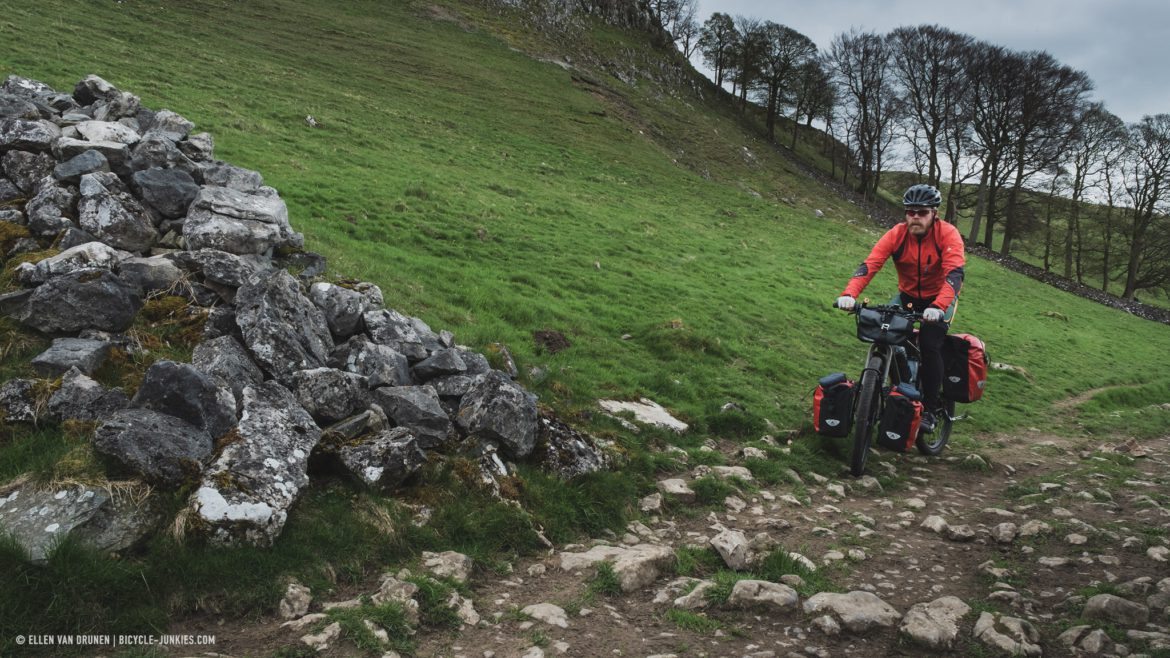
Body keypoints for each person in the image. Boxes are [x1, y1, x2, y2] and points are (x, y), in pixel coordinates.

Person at [835, 184, 966, 431]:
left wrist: (938, 306)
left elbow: (954, 275)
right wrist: (849, 294)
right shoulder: (896, 234)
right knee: (886, 335)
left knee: (929, 345)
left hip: (940, 300)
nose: (915, 216)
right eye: (910, 211)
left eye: (922, 212)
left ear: (934, 213)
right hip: (906, 297)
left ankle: (928, 410)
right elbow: (870, 265)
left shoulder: (947, 234)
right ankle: (897, 389)